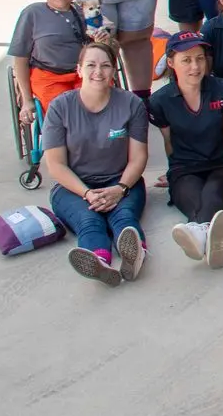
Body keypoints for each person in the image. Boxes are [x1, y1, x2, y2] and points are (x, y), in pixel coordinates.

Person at [41, 41, 149, 287]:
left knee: (124, 218)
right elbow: (56, 165)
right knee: (89, 222)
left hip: (122, 181)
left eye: (105, 65)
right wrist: (87, 193)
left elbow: (138, 157)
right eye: (91, 65)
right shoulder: (60, 107)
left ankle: (135, 256)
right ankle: (99, 263)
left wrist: (120, 188)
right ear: (79, 69)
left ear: (114, 71)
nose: (98, 72)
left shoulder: (131, 104)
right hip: (73, 187)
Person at [148, 31, 223, 270]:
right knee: (191, 196)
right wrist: (172, 172)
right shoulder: (160, 100)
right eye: (186, 60)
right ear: (171, 63)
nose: (195, 66)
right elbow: (169, 143)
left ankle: (198, 233)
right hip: (184, 168)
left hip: (221, 165)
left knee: (213, 194)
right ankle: (210, 237)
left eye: (200, 58)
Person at [10, 0, 90, 131]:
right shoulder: (32, 13)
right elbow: (20, 58)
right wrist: (27, 100)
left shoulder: (85, 9)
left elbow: (103, 49)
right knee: (64, 114)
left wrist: (105, 39)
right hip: (49, 76)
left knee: (98, 104)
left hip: (84, 73)